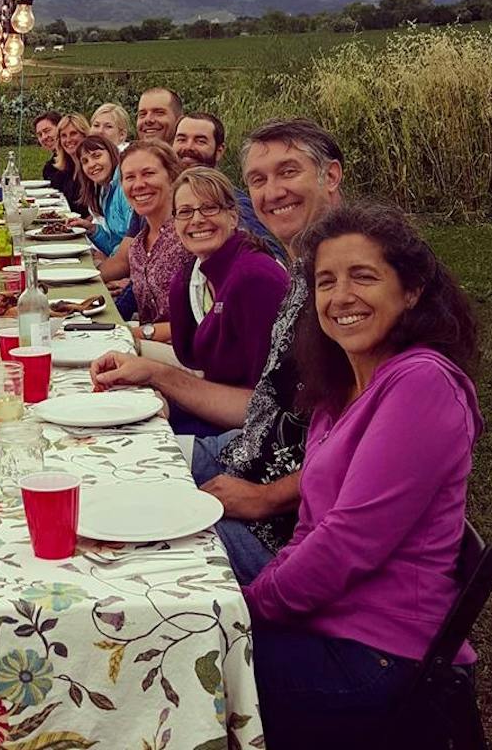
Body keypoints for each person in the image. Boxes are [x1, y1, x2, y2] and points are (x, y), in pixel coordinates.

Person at [246, 202, 481, 750]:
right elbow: (310, 526)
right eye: (325, 281)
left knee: (182, 662)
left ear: (412, 289)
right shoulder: (343, 386)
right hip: (326, 623)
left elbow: (347, 542)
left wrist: (249, 607)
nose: (341, 296)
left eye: (364, 276)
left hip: (379, 656)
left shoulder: (421, 385)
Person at [91, 118, 344, 582]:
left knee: (122, 544)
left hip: (276, 516)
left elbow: (354, 457)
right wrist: (152, 367)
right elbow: (263, 402)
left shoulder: (273, 281)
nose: (273, 191)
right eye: (259, 179)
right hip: (250, 454)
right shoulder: (298, 277)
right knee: (106, 469)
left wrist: (269, 498)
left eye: (289, 172)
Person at [166, 167, 289, 435]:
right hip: (218, 411)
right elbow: (193, 361)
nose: (197, 220)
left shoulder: (254, 277)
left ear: (233, 216)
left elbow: (270, 400)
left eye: (209, 208)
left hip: (255, 433)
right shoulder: (193, 277)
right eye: (185, 212)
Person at [97, 140, 192, 344]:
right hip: (144, 347)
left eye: (148, 173)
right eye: (130, 177)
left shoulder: (190, 235)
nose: (138, 184)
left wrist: (137, 334)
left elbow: (203, 320)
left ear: (172, 177)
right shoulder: (139, 244)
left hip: (187, 355)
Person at [173, 111, 282, 255]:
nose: (188, 147)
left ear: (219, 151)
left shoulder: (233, 200)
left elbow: (269, 254)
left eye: (200, 141)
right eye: (181, 139)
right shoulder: (166, 196)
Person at [70, 135, 133, 256]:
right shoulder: (105, 191)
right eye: (85, 161)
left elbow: (133, 249)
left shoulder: (124, 187)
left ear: (112, 154)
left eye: (97, 156)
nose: (91, 164)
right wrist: (92, 229)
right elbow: (115, 244)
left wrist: (106, 265)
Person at [51, 112, 90, 215]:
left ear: (84, 135)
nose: (68, 140)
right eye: (63, 136)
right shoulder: (68, 168)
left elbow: (98, 213)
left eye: (73, 133)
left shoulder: (90, 169)